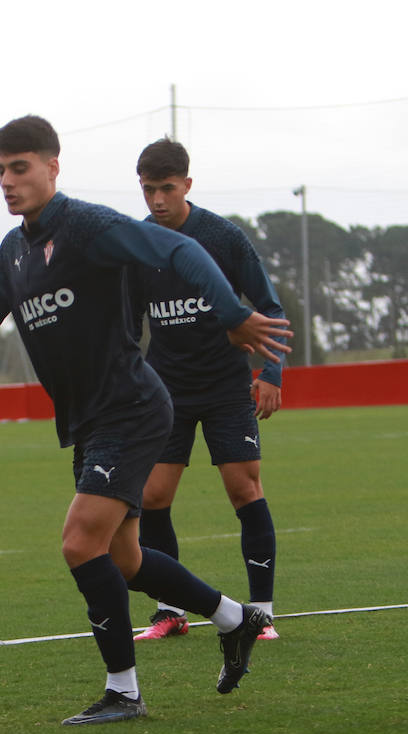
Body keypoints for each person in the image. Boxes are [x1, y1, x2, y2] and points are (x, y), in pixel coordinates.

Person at [0, 116, 290, 725]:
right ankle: (236, 618)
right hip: (90, 419)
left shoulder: (89, 227)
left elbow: (179, 247)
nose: (7, 180)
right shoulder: (15, 250)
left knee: (79, 544)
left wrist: (232, 312)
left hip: (131, 408)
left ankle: (123, 693)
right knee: (124, 560)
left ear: (53, 166)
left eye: (19, 167)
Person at [128, 139, 285, 643]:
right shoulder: (136, 242)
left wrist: (272, 374)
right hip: (164, 391)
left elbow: (271, 308)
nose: (156, 200)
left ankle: (260, 613)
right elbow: (128, 327)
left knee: (244, 490)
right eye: (148, 190)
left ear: (187, 185)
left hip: (225, 386)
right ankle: (169, 610)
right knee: (152, 496)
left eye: (166, 189)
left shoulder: (223, 237)